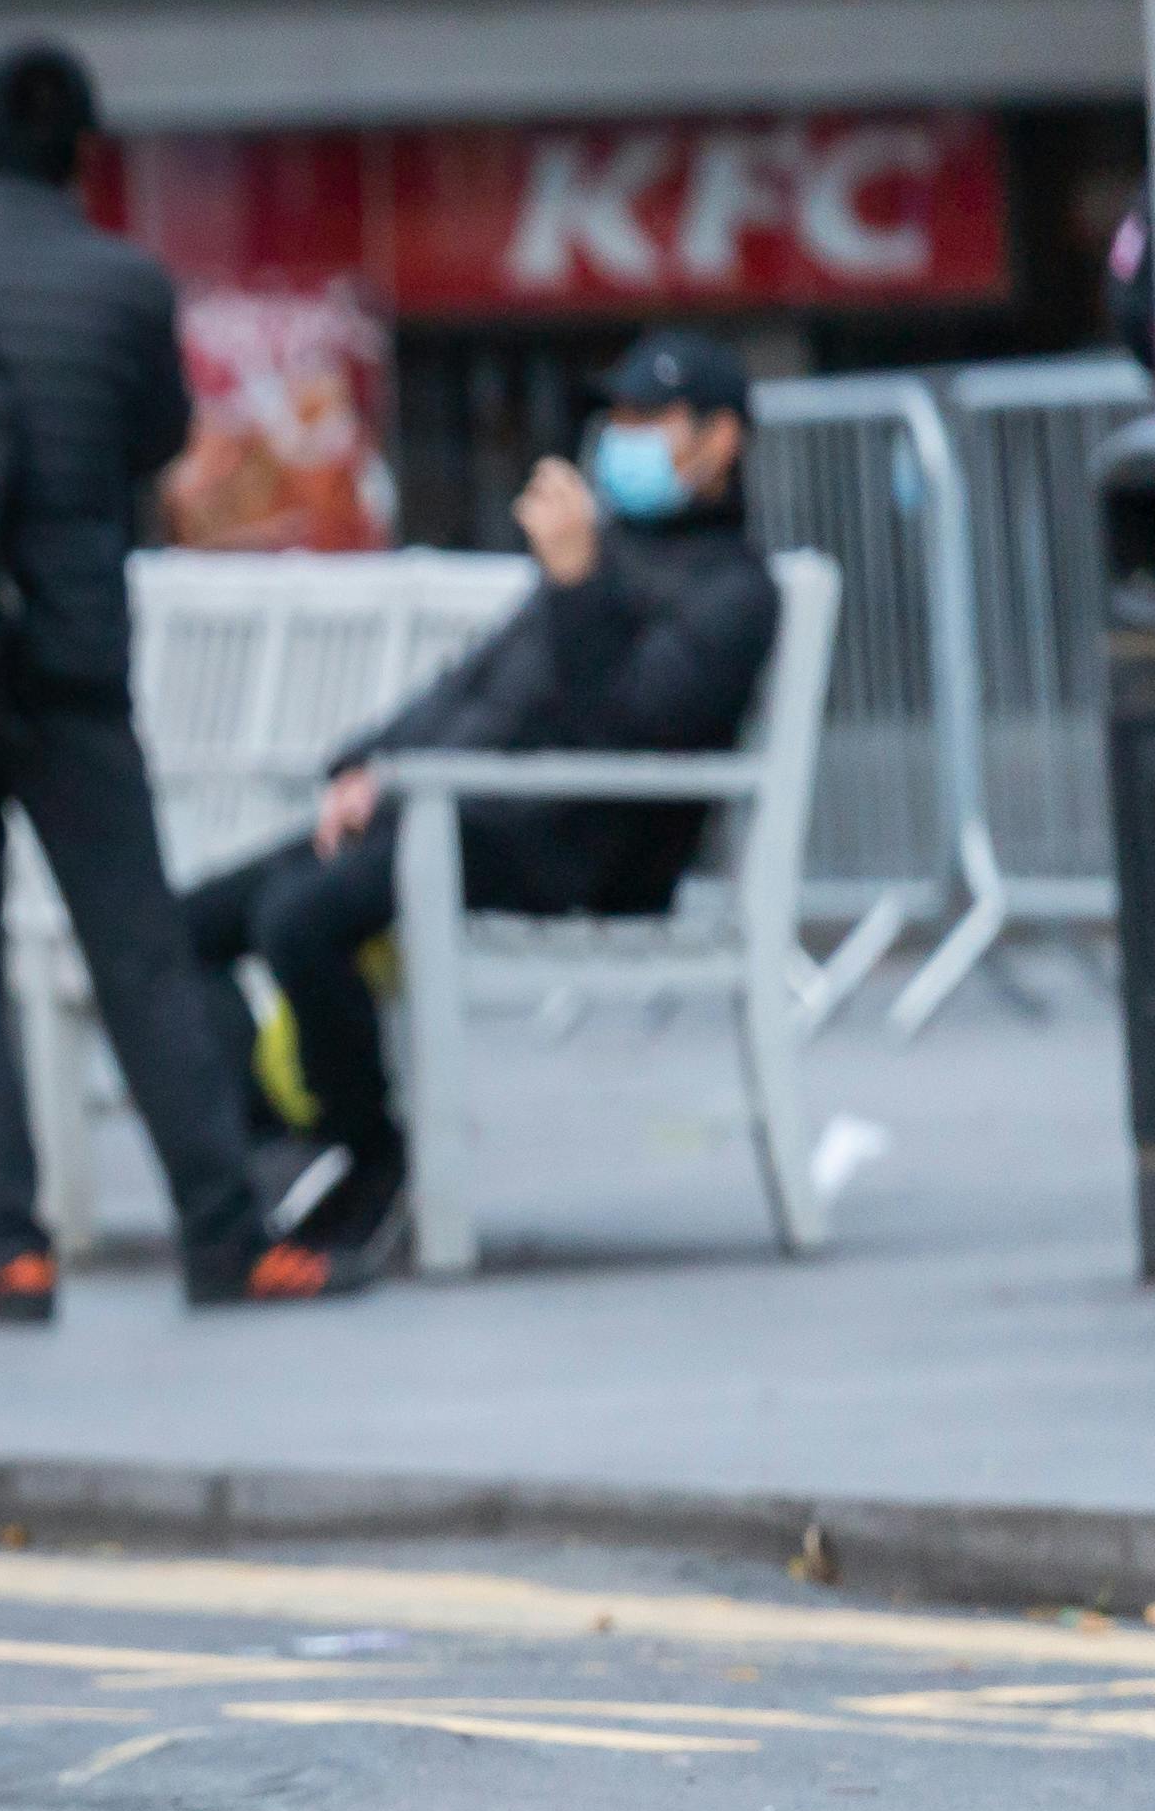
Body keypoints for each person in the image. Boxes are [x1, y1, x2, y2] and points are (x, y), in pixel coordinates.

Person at [0, 39, 340, 1322]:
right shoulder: (126, 287)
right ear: (86, 155)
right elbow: (155, 442)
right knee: (137, 949)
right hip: (74, 661)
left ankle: (7, 1253)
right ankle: (224, 1235)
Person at [183, 330, 781, 1266]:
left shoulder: (734, 592)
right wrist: (367, 766)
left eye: (647, 420)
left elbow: (630, 735)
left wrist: (581, 585)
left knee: (302, 917)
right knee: (183, 927)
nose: (619, 439)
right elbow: (475, 687)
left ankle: (372, 1158)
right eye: (615, 418)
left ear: (721, 440)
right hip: (460, 815)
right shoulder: (603, 559)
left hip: (574, 848)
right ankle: (270, 1149)